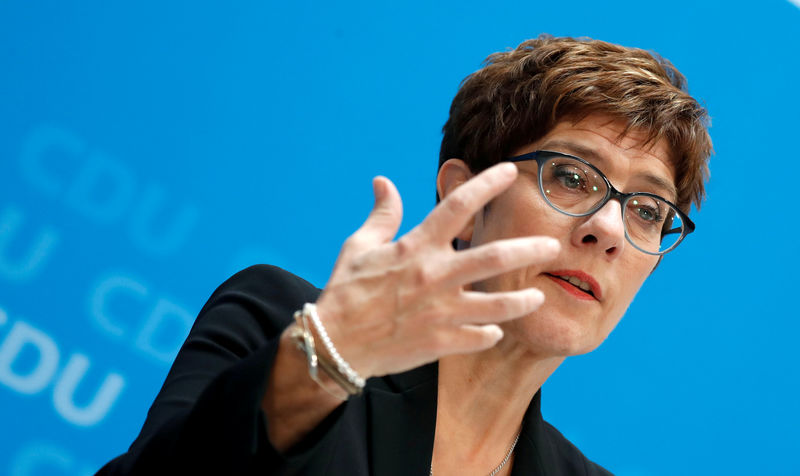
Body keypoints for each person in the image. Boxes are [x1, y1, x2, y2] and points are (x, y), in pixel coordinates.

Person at [98, 34, 712, 475]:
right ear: (465, 197)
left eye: (647, 210)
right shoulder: (281, 325)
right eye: (574, 177)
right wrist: (331, 357)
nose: (607, 228)